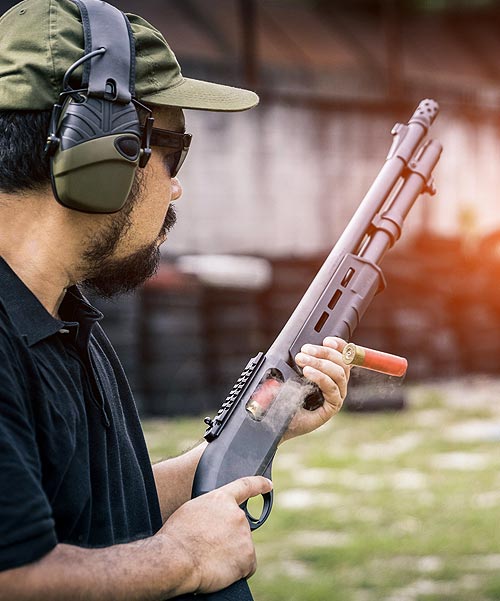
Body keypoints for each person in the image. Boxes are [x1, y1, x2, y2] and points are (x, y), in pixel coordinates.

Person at [0, 0, 351, 599]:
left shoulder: (65, 320)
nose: (177, 186)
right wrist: (182, 558)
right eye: (173, 151)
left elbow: (107, 509)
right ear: (99, 148)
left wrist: (263, 424)